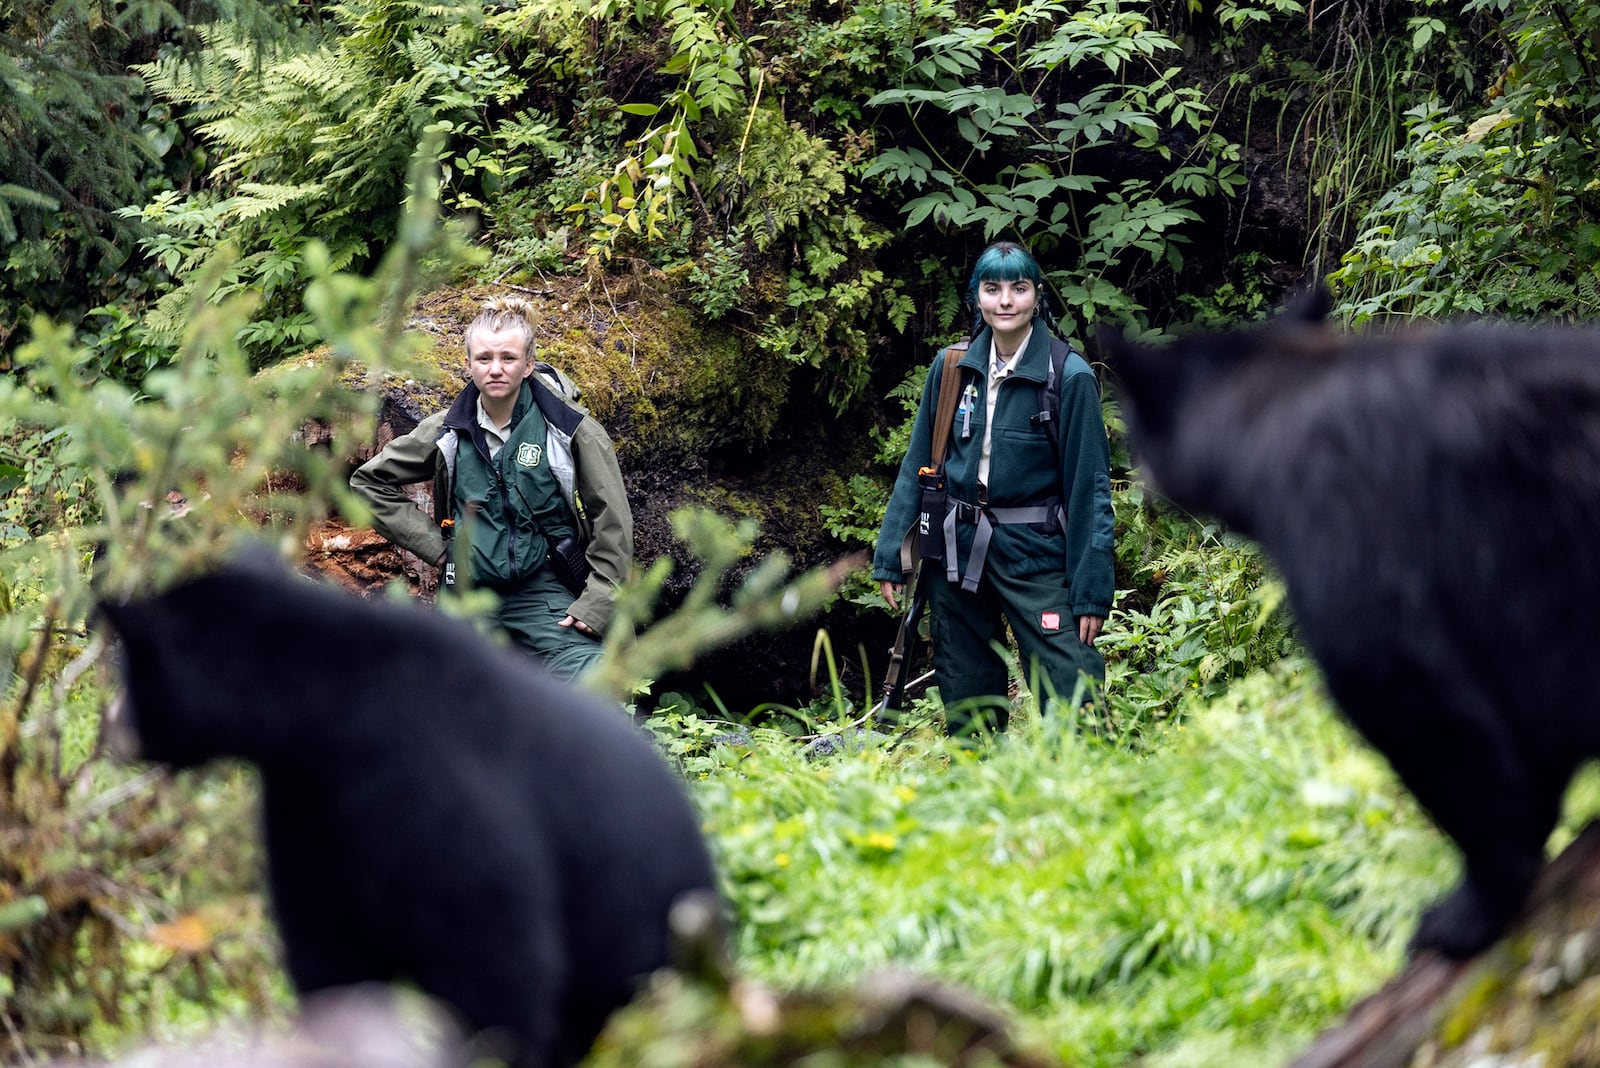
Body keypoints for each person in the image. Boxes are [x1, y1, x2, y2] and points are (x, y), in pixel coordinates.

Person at [873, 241, 1115, 735]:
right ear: (977, 298)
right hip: (956, 549)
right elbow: (919, 462)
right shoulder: (951, 369)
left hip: (1035, 551)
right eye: (992, 289)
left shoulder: (1068, 376)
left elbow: (1090, 491)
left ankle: (1092, 790)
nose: (1005, 300)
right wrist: (891, 555)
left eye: (1018, 288)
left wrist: (1091, 592)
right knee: (965, 689)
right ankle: (979, 786)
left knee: (1072, 686)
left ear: (1036, 296)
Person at [349, 297, 632, 681]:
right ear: (468, 365)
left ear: (529, 364)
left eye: (508, 358)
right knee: (444, 697)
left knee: (594, 685)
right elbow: (368, 482)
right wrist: (437, 550)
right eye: (484, 358)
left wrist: (598, 602)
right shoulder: (446, 431)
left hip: (544, 588)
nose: (495, 369)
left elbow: (613, 521)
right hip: (467, 589)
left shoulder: (570, 430)